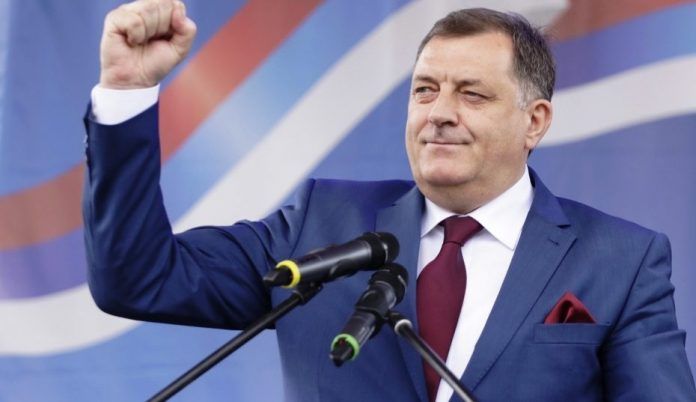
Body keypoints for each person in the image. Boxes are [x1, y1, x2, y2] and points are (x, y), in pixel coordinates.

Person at [83, 1, 696, 401]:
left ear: (534, 121)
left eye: (472, 94)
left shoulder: (620, 260)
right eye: (425, 90)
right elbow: (138, 279)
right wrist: (127, 92)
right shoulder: (320, 226)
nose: (439, 113)